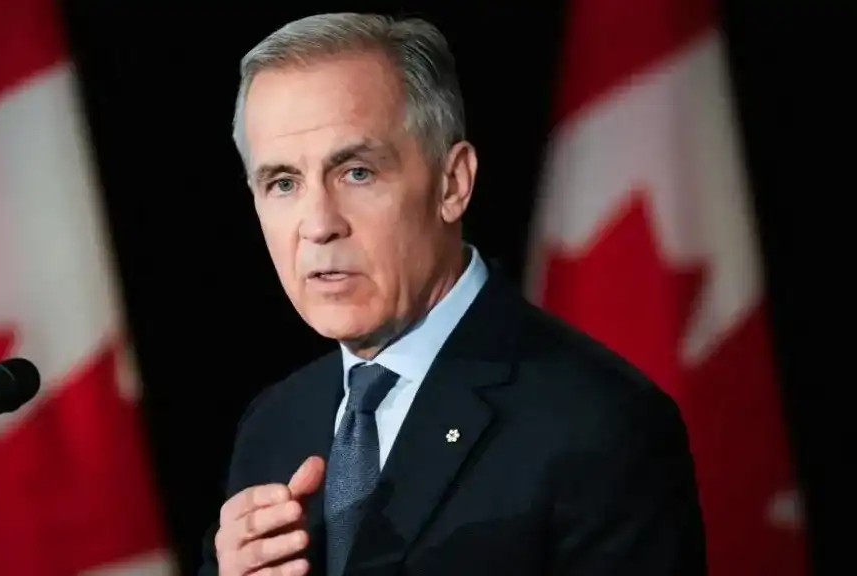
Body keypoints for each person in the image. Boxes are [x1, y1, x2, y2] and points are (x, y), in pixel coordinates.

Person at [199, 12, 706, 576]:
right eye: (283, 183)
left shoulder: (600, 425)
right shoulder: (273, 425)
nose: (318, 225)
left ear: (452, 183)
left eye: (357, 172)